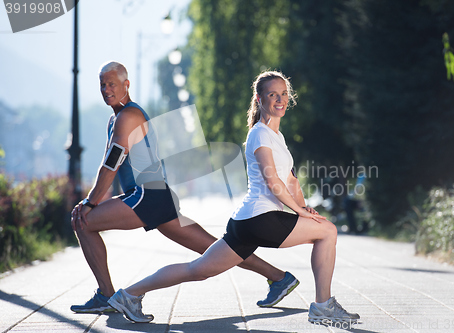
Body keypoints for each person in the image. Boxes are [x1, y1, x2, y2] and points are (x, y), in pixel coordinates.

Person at [108, 70, 360, 325]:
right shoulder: (260, 134)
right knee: (327, 231)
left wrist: (304, 207)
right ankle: (322, 306)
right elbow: (273, 182)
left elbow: (291, 180)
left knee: (198, 269)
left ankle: (129, 294)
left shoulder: (276, 137)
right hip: (262, 218)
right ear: (259, 99)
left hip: (247, 222)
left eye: (284, 94)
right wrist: (300, 212)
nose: (280, 99)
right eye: (273, 94)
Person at [70, 62, 300, 314]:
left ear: (126, 85)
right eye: (102, 84)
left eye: (112, 84)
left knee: (83, 221)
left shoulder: (127, 116)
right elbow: (110, 165)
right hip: (155, 197)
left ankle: (106, 294)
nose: (106, 89)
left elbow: (110, 164)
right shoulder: (116, 119)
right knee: (217, 249)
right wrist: (102, 199)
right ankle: (279, 277)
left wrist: (90, 203)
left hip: (147, 196)